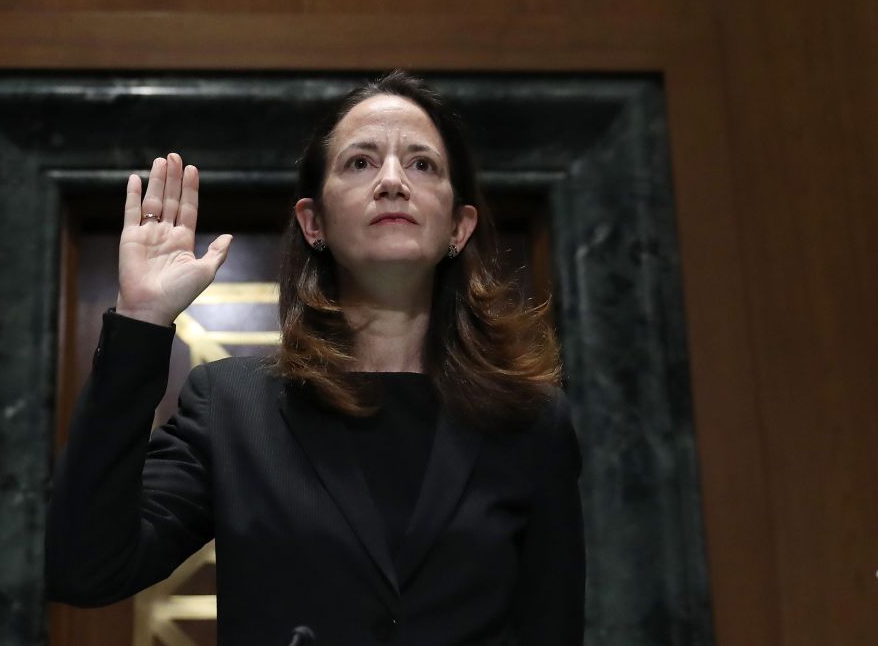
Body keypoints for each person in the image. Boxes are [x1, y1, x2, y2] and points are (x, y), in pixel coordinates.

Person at [46, 71, 585, 645]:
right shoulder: (233, 407)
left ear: (459, 226)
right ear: (314, 223)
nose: (393, 181)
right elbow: (83, 568)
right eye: (360, 163)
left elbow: (553, 626)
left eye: (422, 164)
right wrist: (140, 321)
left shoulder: (531, 420)